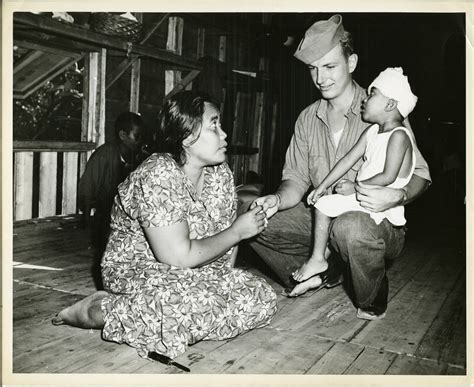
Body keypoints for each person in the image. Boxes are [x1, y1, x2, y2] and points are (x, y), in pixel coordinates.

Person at [52, 91, 277, 360]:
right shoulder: (158, 173)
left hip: (187, 274)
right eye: (214, 125)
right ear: (186, 136)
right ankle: (97, 310)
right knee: (182, 308)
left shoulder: (220, 174)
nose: (225, 134)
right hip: (138, 269)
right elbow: (177, 256)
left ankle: (156, 315)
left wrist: (219, 282)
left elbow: (223, 253)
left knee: (260, 296)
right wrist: (238, 231)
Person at [249, 15, 431, 320]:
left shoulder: (385, 109)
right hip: (323, 220)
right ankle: (326, 269)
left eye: (330, 66)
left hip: (373, 222)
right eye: (313, 69)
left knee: (351, 227)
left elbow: (422, 176)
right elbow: (295, 179)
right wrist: (276, 200)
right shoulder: (307, 118)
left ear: (352, 62)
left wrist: (397, 196)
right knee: (252, 221)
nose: (320, 78)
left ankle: (370, 293)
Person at [291, 67, 417, 319]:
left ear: (391, 104)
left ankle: (371, 299)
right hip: (364, 197)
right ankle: (318, 260)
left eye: (372, 95)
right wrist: (324, 185)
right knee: (323, 204)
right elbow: (348, 160)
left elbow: (388, 177)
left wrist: (356, 188)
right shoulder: (372, 132)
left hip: (384, 211)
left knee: (352, 227)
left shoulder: (400, 135)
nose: (365, 99)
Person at [78, 111, 145, 251]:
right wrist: (85, 222)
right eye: (137, 137)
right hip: (105, 218)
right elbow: (87, 188)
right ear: (122, 136)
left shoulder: (139, 157)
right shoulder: (103, 156)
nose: (141, 141)